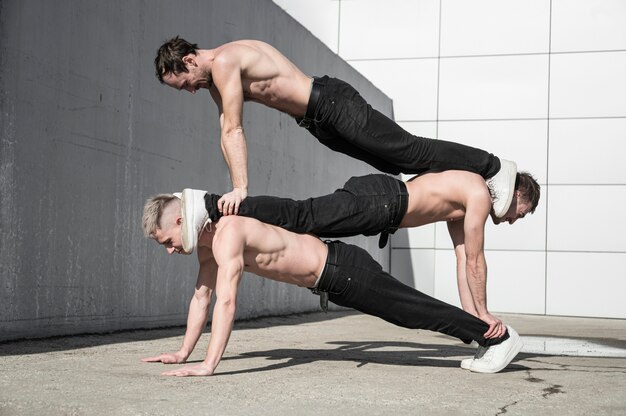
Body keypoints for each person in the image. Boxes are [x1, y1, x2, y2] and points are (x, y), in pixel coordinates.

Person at [140, 194, 523, 376]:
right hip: (336, 277)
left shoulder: (228, 235)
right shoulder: (209, 248)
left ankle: (495, 338)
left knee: (412, 310)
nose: (171, 251)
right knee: (410, 311)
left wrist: (209, 366)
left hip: (343, 270)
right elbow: (201, 298)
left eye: (167, 243)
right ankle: (486, 336)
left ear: (180, 223)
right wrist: (183, 352)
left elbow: (225, 304)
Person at [154, 37, 517, 217]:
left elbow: (234, 129)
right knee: (396, 163)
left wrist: (240, 188)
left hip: (331, 103)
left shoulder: (225, 61)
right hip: (319, 121)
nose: (189, 91)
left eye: (185, 83)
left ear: (189, 60)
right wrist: (234, 187)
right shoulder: (214, 80)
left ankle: (493, 167)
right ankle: (471, 182)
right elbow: (224, 130)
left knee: (408, 150)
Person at [181, 170, 540, 341]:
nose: (511, 221)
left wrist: (478, 316)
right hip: (381, 201)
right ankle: (211, 204)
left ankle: (478, 335)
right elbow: (477, 260)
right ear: (516, 195)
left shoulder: (464, 205)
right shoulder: (477, 194)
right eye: (518, 214)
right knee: (303, 215)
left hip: (381, 206)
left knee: (301, 223)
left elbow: (464, 262)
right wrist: (486, 311)